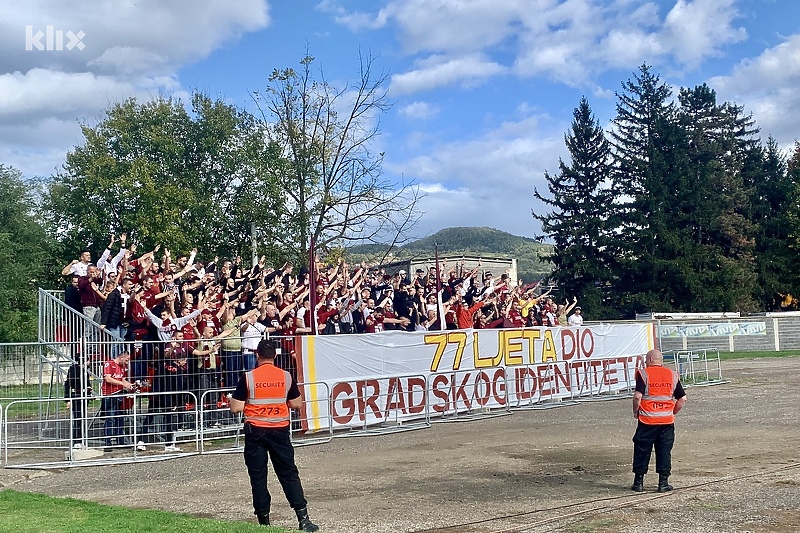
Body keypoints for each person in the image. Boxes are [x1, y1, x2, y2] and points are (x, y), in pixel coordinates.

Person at [229, 340, 319, 531]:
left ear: (257, 355)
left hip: (256, 432)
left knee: (258, 478)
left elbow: (236, 407)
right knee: (289, 475)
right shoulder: (285, 377)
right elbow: (296, 404)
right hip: (280, 431)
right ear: (275, 357)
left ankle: (264, 522)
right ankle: (303, 519)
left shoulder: (248, 377)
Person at [631, 349, 687, 492]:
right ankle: (663, 483)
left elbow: (638, 396)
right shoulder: (672, 375)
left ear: (650, 360)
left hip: (647, 421)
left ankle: (638, 483)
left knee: (642, 450)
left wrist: (635, 411)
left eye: (646, 360)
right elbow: (682, 399)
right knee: (664, 452)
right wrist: (672, 411)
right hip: (667, 422)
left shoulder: (644, 374)